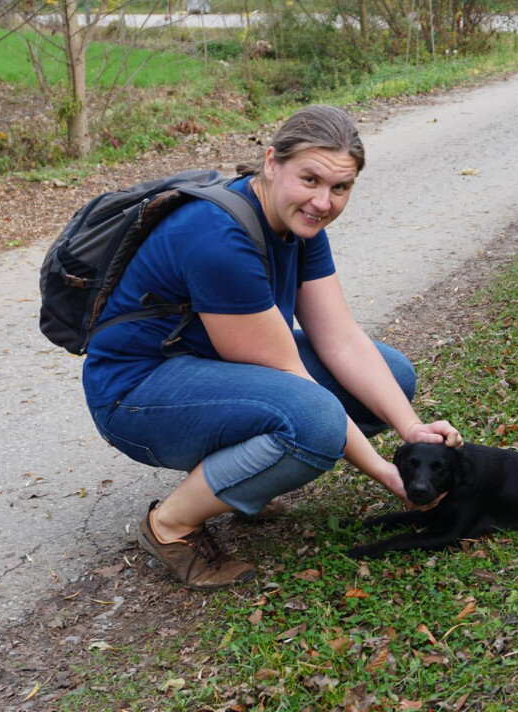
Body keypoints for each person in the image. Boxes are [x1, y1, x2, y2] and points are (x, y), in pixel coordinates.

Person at [82, 105, 461, 589]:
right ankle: (171, 525)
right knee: (314, 420)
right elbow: (296, 382)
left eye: (340, 188)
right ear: (271, 163)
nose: (323, 202)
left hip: (206, 371)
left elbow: (341, 339)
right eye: (310, 179)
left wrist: (412, 430)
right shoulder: (218, 237)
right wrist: (387, 473)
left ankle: (238, 484)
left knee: (392, 374)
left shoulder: (299, 225)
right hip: (136, 395)